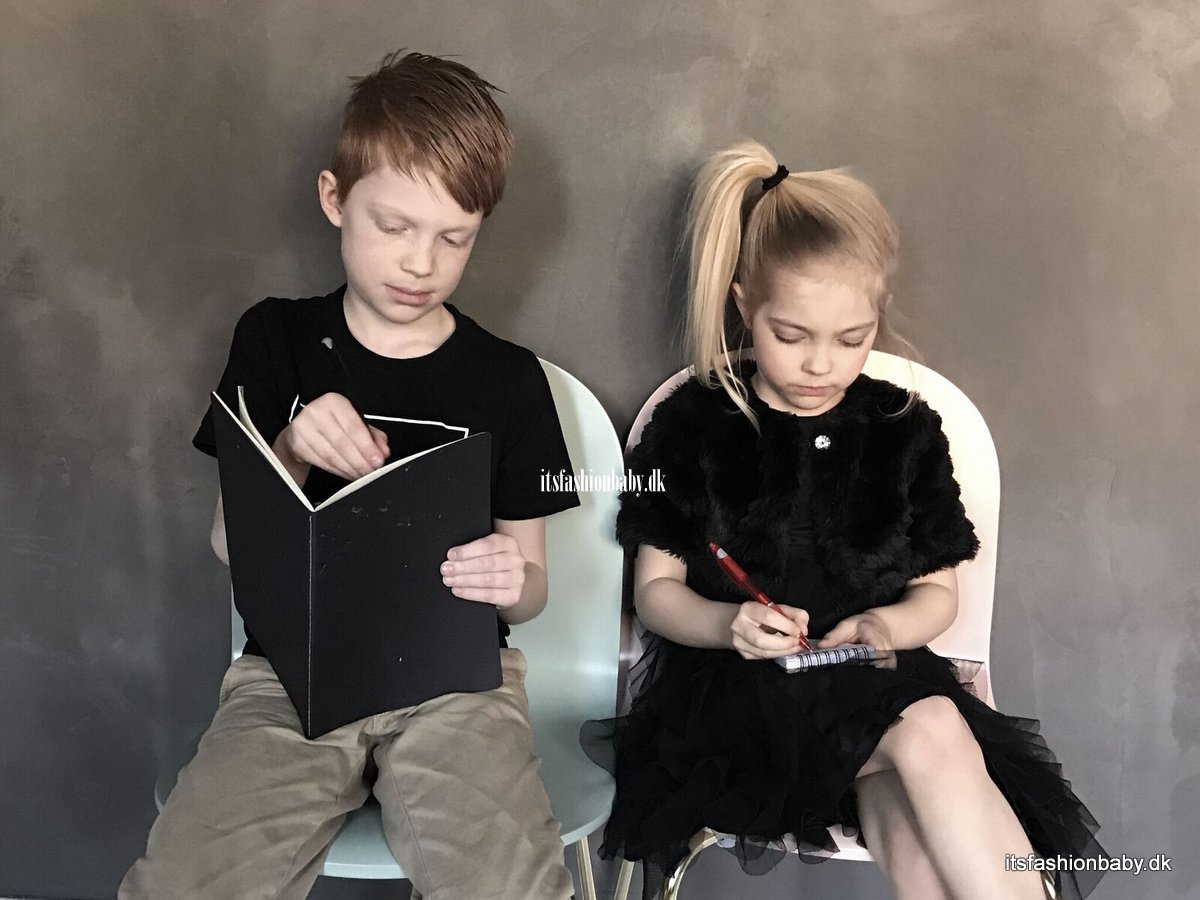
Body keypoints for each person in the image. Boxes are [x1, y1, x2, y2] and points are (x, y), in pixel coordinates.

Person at [591, 141, 1106, 900]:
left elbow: (939, 596)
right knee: (931, 732)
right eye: (790, 336)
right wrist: (730, 624)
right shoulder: (695, 424)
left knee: (919, 805)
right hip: (740, 700)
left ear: (878, 317)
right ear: (743, 305)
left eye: (852, 339)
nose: (820, 365)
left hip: (874, 686)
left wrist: (885, 627)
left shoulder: (903, 430)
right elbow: (656, 593)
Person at [120, 51, 580, 900]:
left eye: (453, 239)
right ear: (335, 199)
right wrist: (290, 448)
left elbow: (532, 589)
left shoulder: (510, 380)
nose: (420, 264)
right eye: (394, 226)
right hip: (290, 676)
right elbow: (230, 546)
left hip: (453, 684)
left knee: (507, 883)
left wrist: (513, 579)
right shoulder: (275, 340)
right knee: (186, 882)